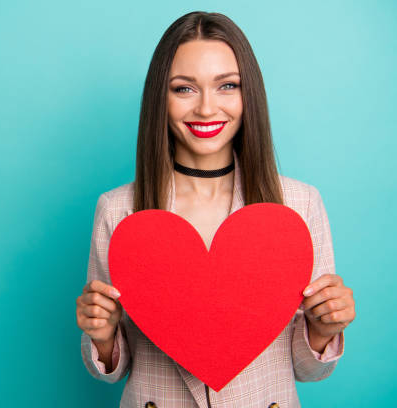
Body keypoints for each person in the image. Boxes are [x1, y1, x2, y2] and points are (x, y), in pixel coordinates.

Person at [75, 11, 356, 408]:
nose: (207, 109)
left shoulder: (299, 205)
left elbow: (308, 369)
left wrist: (323, 328)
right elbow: (114, 369)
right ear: (160, 98)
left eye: (227, 85)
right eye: (184, 89)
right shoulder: (119, 210)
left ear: (249, 95)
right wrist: (102, 337)